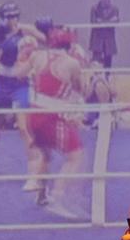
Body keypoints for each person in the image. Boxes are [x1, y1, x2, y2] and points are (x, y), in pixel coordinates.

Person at [23, 30, 90, 218]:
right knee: (75, 156)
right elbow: (81, 89)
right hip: (49, 117)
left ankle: (41, 195)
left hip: (33, 113)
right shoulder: (71, 63)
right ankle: (56, 198)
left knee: (46, 155)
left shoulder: (37, 56)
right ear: (70, 46)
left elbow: (20, 74)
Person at [0, 2, 41, 174]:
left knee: (23, 126)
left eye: (15, 16)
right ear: (3, 18)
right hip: (2, 81)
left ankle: (35, 168)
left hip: (21, 82)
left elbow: (45, 38)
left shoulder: (25, 30)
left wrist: (50, 33)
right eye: (10, 17)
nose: (13, 20)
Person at [89, 0, 119, 70]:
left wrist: (101, 22)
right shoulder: (94, 8)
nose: (107, 0)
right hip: (97, 38)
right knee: (96, 61)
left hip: (109, 38)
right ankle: (95, 78)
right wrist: (109, 22)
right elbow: (94, 23)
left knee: (108, 59)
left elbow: (116, 22)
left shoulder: (115, 9)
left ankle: (107, 77)